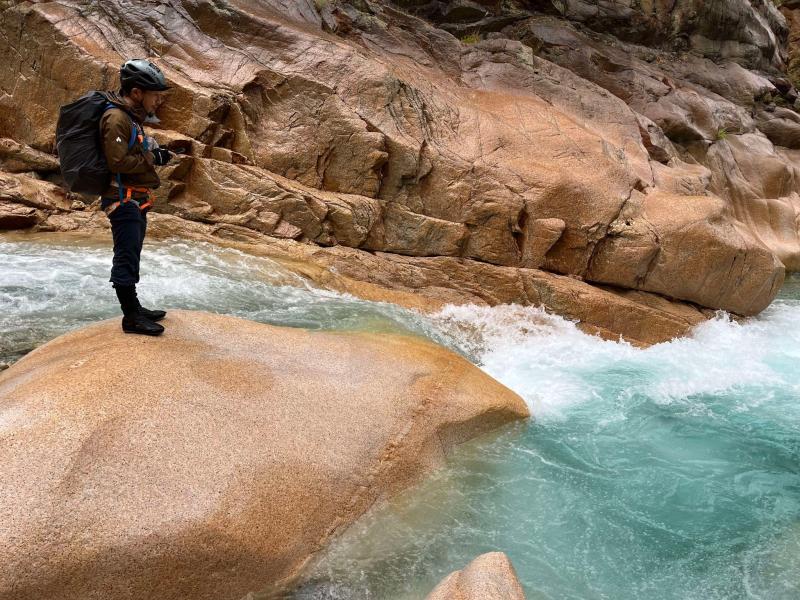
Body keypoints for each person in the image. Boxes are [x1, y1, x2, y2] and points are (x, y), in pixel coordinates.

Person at [99, 59, 174, 335]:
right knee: (125, 256)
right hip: (122, 200)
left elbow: (133, 152)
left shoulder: (130, 117)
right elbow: (117, 162)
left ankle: (136, 308)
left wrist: (155, 153)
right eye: (155, 95)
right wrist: (153, 158)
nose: (158, 101)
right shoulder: (116, 118)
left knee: (132, 254)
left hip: (134, 198)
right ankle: (130, 318)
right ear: (136, 92)